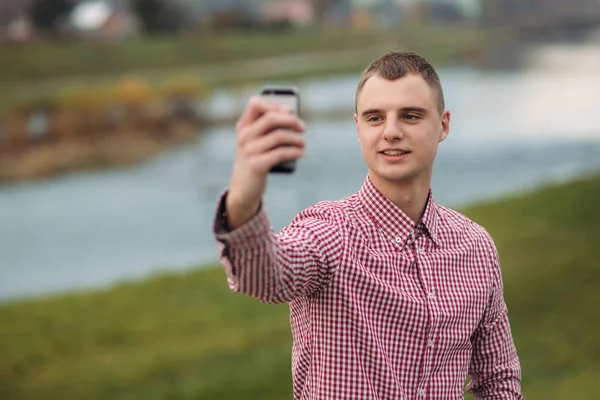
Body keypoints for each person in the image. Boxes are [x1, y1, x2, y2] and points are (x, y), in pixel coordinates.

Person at [212, 51, 524, 400]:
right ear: (358, 126)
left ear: (444, 125)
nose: (391, 132)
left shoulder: (475, 246)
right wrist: (243, 195)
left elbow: (498, 380)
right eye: (375, 118)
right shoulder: (329, 232)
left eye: (410, 116)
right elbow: (261, 277)